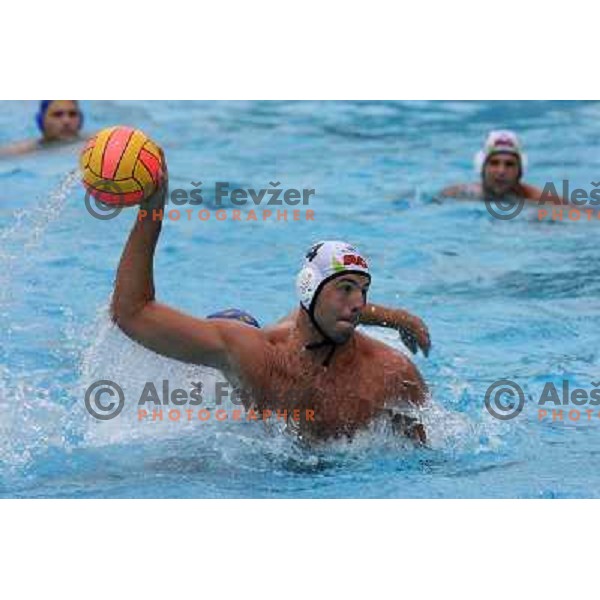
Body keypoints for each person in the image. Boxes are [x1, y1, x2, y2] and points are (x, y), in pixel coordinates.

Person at [110, 157, 429, 443]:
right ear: (308, 288)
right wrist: (151, 209)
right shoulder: (256, 355)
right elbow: (131, 312)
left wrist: (398, 317)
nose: (358, 301)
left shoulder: (392, 373)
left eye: (364, 290)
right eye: (345, 288)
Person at [440, 130, 550, 202]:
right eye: (494, 163)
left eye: (509, 164)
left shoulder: (541, 201)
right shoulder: (457, 194)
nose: (501, 171)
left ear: (520, 171)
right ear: (482, 167)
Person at [0, 100, 84, 157]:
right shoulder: (23, 151)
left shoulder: (92, 143)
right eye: (57, 114)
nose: (66, 121)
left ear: (81, 119)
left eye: (72, 114)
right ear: (41, 121)